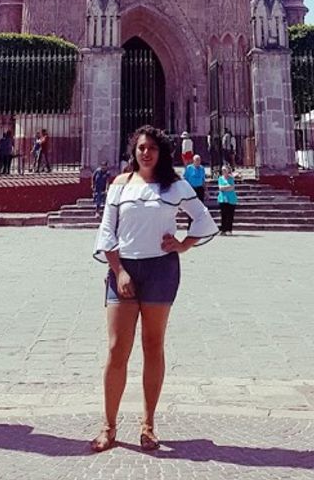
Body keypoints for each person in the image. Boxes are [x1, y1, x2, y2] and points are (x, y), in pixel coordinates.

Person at [91, 125, 217, 453]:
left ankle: (148, 424)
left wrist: (183, 245)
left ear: (161, 152)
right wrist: (118, 271)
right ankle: (109, 426)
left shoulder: (175, 186)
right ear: (134, 150)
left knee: (152, 344)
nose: (146, 153)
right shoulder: (119, 185)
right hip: (125, 271)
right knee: (118, 348)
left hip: (161, 270)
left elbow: (202, 219)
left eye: (152, 148)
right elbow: (107, 231)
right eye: (141, 147)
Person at [217, 163, 238, 235]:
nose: (223, 171)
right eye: (222, 170)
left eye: (225, 170)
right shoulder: (220, 178)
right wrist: (227, 187)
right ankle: (223, 229)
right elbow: (220, 188)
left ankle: (229, 230)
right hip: (222, 199)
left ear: (228, 170)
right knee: (223, 214)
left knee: (230, 214)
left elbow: (232, 187)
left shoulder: (231, 178)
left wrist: (225, 187)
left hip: (231, 199)